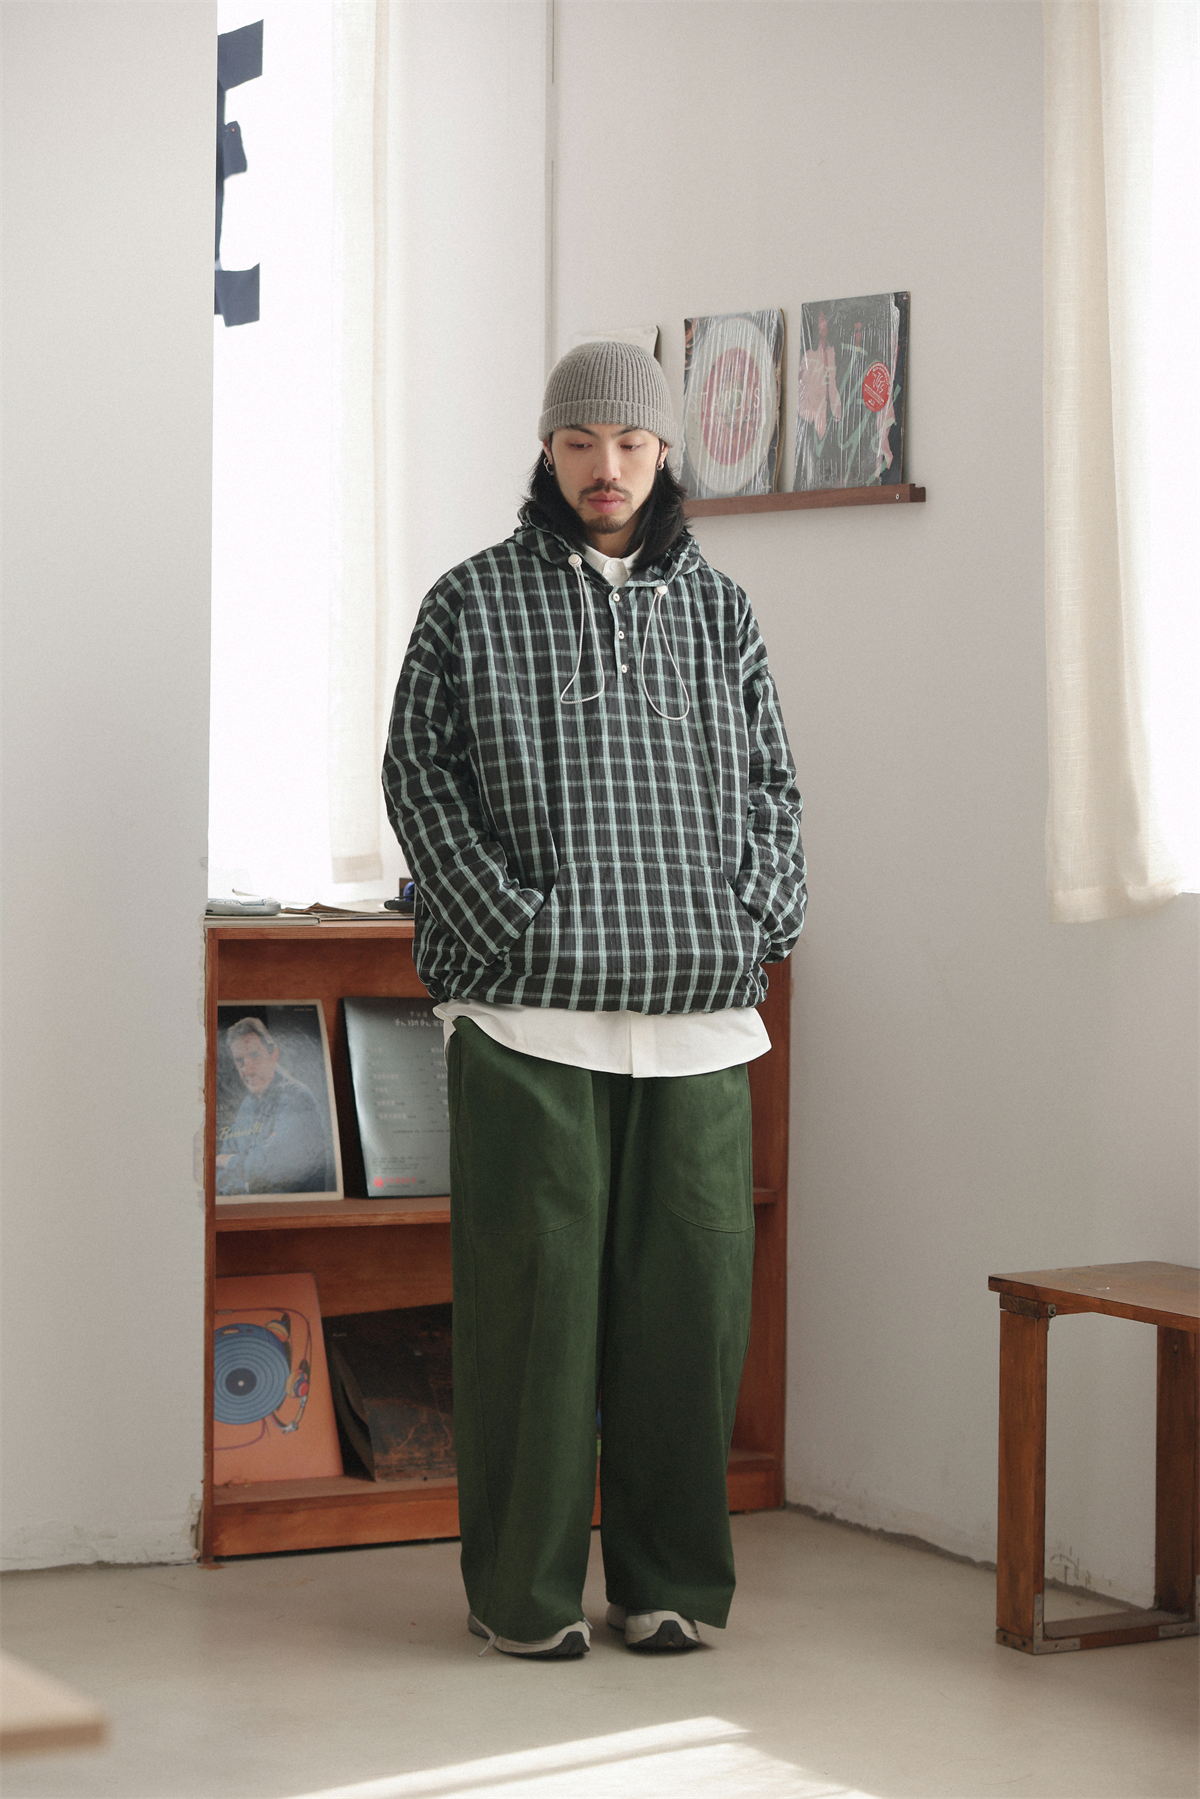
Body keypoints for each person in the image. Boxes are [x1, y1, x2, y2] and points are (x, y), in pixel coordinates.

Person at [383, 340, 805, 1661]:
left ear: (666, 450)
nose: (605, 466)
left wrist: (755, 917)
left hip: (698, 1021)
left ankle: (670, 1581)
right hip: (529, 1021)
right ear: (548, 451)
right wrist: (508, 927)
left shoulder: (722, 611)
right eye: (580, 442)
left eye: (629, 441)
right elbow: (418, 778)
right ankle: (523, 1592)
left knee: (691, 1315)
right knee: (534, 1315)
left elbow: (775, 788)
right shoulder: (470, 602)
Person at [216, 1016, 328, 1195]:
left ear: (273, 1055)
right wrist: (242, 1188)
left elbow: (276, 1168)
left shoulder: (297, 1099)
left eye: (254, 1056)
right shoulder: (246, 1105)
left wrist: (227, 1161)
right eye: (240, 1061)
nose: (247, 1070)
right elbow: (219, 1176)